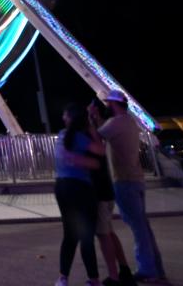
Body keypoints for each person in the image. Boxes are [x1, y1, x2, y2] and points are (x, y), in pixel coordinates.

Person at [94, 90, 168, 284]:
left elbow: (94, 137)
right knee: (143, 227)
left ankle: (148, 270)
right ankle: (156, 268)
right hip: (137, 179)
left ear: (114, 104)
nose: (106, 106)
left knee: (138, 228)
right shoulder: (129, 122)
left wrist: (92, 117)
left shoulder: (115, 123)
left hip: (124, 181)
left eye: (108, 103)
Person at [53, 103, 103, 286]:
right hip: (81, 189)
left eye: (65, 115)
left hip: (62, 188)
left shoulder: (62, 136)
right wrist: (91, 126)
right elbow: (100, 152)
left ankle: (63, 277)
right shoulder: (82, 138)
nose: (62, 118)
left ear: (69, 118)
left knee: (69, 235)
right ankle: (93, 279)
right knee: (86, 236)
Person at [89, 99, 135, 286]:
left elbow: (95, 148)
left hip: (100, 188)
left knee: (102, 234)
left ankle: (114, 277)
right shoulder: (117, 127)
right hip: (108, 186)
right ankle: (123, 269)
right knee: (108, 231)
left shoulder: (103, 132)